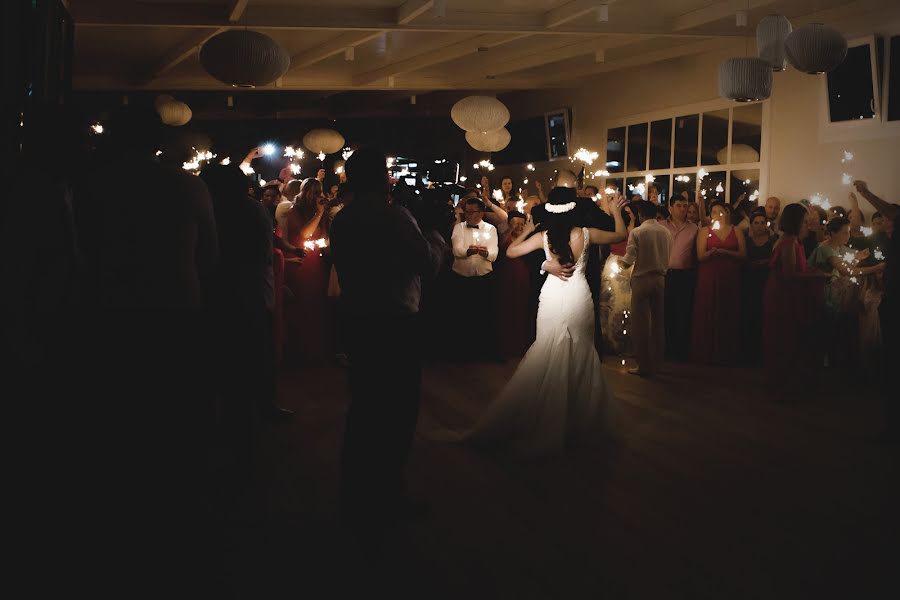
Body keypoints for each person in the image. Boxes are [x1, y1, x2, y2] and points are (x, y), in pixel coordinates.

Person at [433, 188, 626, 457]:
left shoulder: (544, 236)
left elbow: (511, 251)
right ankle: (576, 422)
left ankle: (545, 416)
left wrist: (536, 244)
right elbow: (620, 234)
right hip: (578, 296)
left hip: (552, 295)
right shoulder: (585, 232)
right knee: (580, 350)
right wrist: (615, 210)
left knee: (548, 350)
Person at [330, 146, 444, 548]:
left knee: (363, 409)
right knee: (396, 412)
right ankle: (387, 496)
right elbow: (427, 264)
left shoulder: (342, 221)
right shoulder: (395, 217)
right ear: (380, 176)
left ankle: (355, 497)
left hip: (359, 320)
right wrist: (432, 232)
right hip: (395, 323)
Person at [762, 203, 828, 401]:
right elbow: (790, 275)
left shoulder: (795, 242)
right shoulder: (789, 242)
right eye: (805, 222)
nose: (808, 226)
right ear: (796, 223)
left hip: (785, 293)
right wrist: (818, 275)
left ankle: (788, 381)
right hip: (782, 296)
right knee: (784, 338)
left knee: (790, 338)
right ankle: (783, 385)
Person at [619, 201, 673, 376]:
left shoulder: (638, 232)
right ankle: (659, 363)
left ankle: (644, 365)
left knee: (641, 324)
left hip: (642, 279)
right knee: (659, 323)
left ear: (641, 215)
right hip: (660, 279)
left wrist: (620, 262)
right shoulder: (666, 232)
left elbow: (629, 259)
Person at [691, 201, 746, 365]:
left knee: (727, 310)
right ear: (710, 215)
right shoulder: (704, 231)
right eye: (714, 212)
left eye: (721, 211)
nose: (718, 215)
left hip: (730, 276)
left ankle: (726, 352)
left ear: (727, 213)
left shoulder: (736, 231)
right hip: (709, 275)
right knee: (708, 308)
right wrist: (712, 253)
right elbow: (700, 256)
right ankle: (706, 351)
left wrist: (725, 252)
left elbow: (743, 255)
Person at [663, 194, 698, 361]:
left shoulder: (694, 228)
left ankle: (680, 350)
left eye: (685, 206)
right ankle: (665, 348)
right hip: (665, 274)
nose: (683, 209)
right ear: (670, 207)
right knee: (665, 311)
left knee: (683, 312)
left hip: (685, 275)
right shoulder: (661, 226)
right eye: (679, 205)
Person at [741, 208, 776, 364]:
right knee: (750, 315)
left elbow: (776, 261)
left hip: (767, 281)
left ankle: (764, 354)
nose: (760, 226)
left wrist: (764, 263)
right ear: (751, 225)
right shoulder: (746, 240)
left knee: (766, 316)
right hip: (749, 282)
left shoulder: (773, 240)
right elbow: (742, 260)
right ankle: (749, 353)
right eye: (756, 223)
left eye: (763, 223)